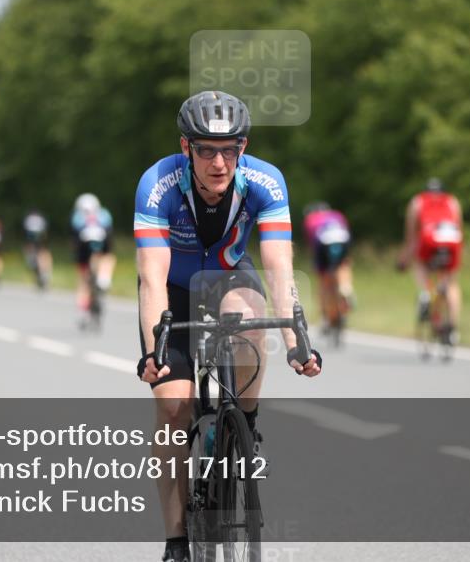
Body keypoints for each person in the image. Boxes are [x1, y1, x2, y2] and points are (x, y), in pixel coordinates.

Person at [134, 90, 322, 562]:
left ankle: (244, 420)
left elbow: (280, 268)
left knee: (249, 317)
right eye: (205, 150)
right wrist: (155, 350)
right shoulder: (157, 184)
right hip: (173, 292)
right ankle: (176, 540)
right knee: (174, 411)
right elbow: (151, 277)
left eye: (230, 149)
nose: (219, 162)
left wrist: (297, 342)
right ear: (185, 147)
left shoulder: (265, 181)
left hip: (229, 277)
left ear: (244, 146)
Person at [397, 178, 464, 344]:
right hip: (451, 239)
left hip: (429, 237)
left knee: (421, 266)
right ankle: (453, 328)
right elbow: (459, 228)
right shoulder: (452, 201)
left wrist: (404, 259)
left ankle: (425, 293)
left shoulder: (417, 202)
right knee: (451, 284)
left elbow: (412, 236)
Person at [302, 201, 355, 334]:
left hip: (323, 241)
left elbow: (312, 244)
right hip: (343, 238)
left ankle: (325, 316)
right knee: (343, 265)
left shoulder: (310, 219)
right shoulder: (337, 214)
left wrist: (316, 264)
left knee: (323, 280)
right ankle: (346, 288)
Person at [71, 193, 115, 323]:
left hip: (82, 242)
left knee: (83, 279)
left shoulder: (76, 216)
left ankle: (82, 311)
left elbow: (73, 239)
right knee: (108, 257)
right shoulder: (104, 213)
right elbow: (109, 234)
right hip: (101, 238)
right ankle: (104, 278)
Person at [23, 209, 52, 289]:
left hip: (31, 238)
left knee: (32, 254)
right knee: (43, 253)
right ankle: (44, 272)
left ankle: (37, 271)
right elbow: (45, 230)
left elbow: (25, 232)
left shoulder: (29, 218)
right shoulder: (40, 218)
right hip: (40, 237)